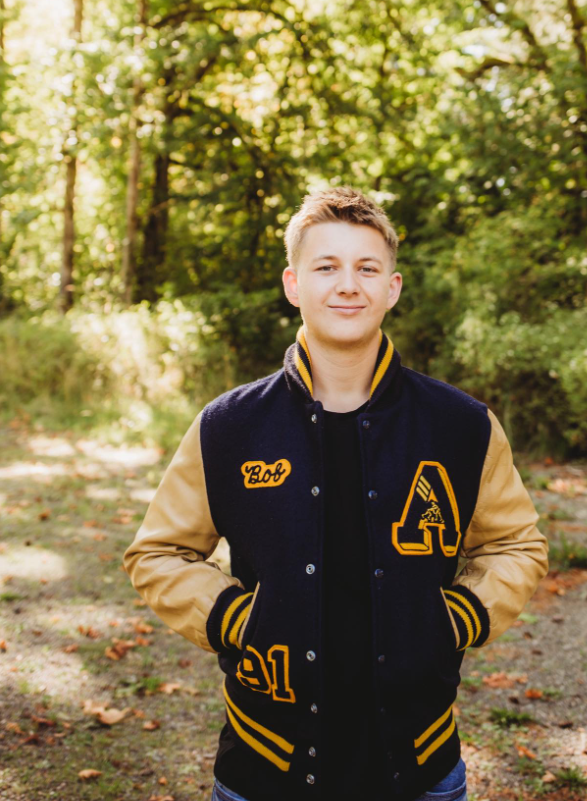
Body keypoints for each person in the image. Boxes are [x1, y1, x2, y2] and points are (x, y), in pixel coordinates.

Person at [123, 186, 549, 801]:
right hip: (264, 764)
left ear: (392, 288)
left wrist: (457, 616)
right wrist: (236, 619)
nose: (348, 285)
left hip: (421, 762)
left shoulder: (461, 425)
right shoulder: (228, 426)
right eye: (326, 267)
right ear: (293, 284)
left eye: (366, 268)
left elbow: (516, 545)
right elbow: (157, 553)